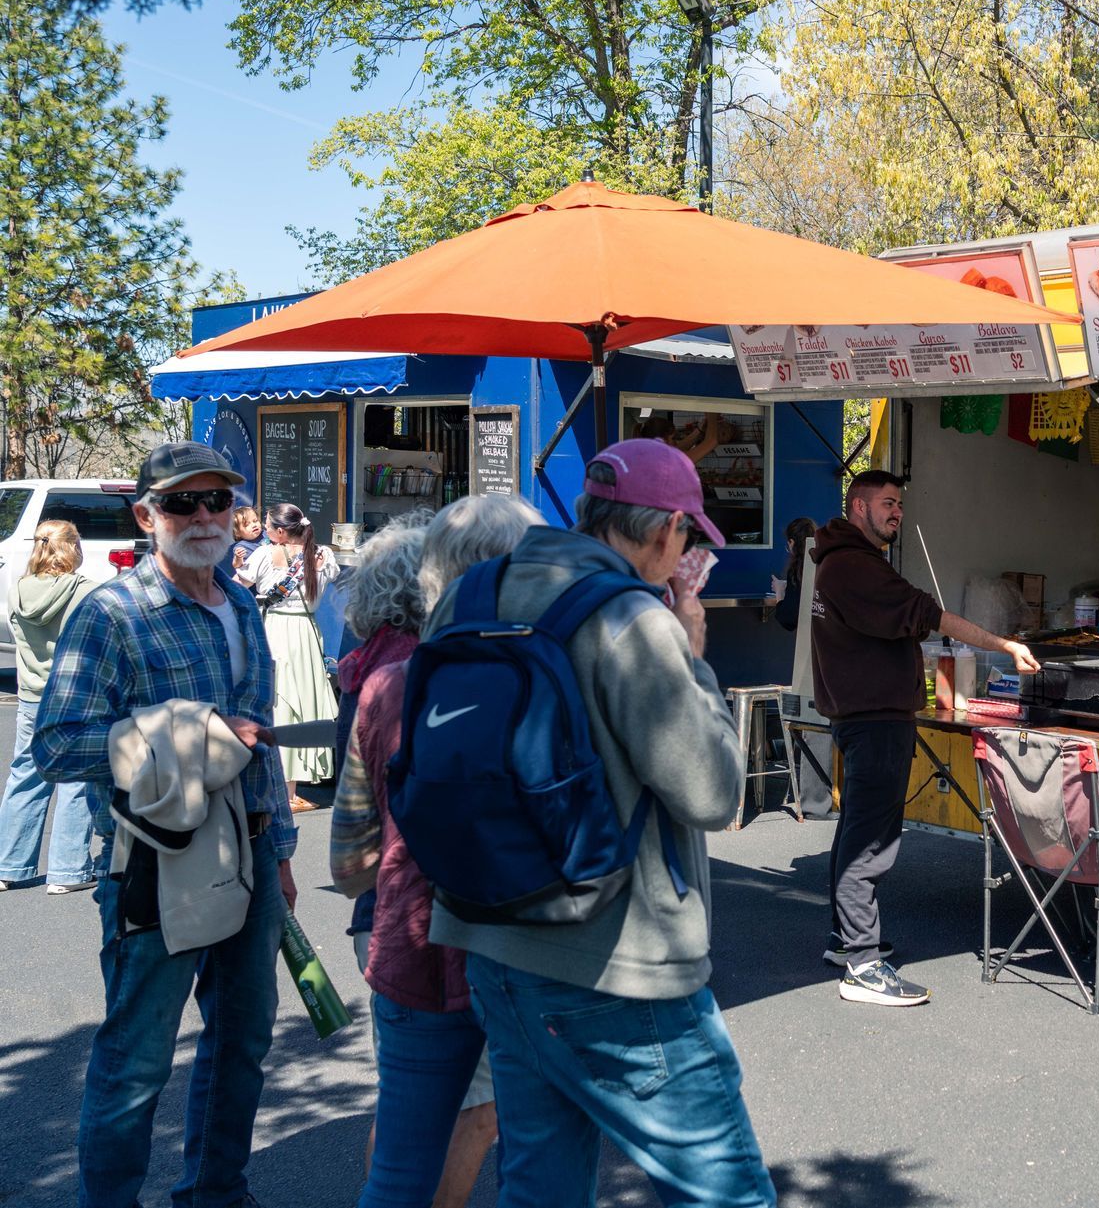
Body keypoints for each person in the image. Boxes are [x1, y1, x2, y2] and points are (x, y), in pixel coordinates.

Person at [424, 440, 775, 1208]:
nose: (684, 551)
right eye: (687, 536)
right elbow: (714, 791)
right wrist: (692, 650)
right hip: (616, 958)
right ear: (663, 534)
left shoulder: (472, 593)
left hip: (490, 937)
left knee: (540, 1185)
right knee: (725, 1193)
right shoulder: (631, 621)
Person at [35, 440, 296, 1207]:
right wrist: (188, 731)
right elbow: (56, 743)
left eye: (217, 499)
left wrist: (280, 845)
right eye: (184, 502)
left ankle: (217, 1191)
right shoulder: (112, 613)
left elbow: (261, 741)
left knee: (243, 1043)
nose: (205, 515)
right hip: (151, 862)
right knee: (138, 1056)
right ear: (147, 515)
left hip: (248, 853)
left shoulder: (242, 601)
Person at [333, 498, 542, 1208]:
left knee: (399, 1162)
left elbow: (347, 861)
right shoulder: (555, 681)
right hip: (529, 955)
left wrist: (397, 866)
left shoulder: (384, 688)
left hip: (412, 947)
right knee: (538, 1157)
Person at [809, 469, 1039, 1005]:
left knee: (856, 833)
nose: (897, 513)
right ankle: (863, 966)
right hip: (873, 720)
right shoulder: (855, 567)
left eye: (900, 505)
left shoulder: (842, 562)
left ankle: (849, 943)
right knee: (870, 842)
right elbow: (931, 617)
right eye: (888, 503)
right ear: (858, 507)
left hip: (862, 718)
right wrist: (1003, 644)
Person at [0, 521, 101, 892]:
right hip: (75, 696)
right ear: (73, 547)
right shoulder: (87, 591)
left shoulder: (19, 589)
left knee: (26, 776)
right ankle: (68, 870)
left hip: (31, 696)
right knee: (75, 780)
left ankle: (9, 866)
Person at [239, 501, 340, 797]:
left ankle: (275, 782)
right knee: (303, 706)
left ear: (281, 532)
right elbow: (330, 577)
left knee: (277, 704)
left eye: (268, 526)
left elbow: (236, 587)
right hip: (306, 632)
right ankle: (293, 790)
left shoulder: (263, 554)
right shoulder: (323, 554)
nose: (265, 530)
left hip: (273, 631)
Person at [772, 515, 817, 632]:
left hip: (812, 641)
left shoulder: (797, 570)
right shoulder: (825, 562)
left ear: (792, 542)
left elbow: (788, 619)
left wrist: (779, 592)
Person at [222, 504, 266, 581]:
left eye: (255, 521)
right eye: (246, 525)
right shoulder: (242, 546)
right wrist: (238, 557)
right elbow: (236, 565)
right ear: (237, 533)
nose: (253, 525)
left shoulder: (266, 534)